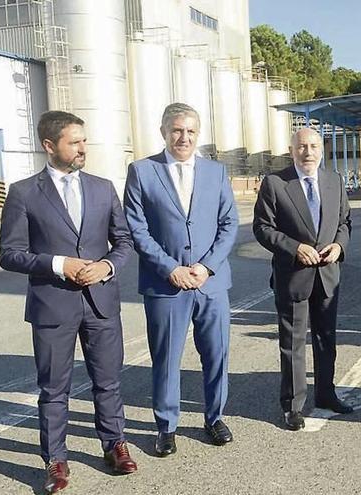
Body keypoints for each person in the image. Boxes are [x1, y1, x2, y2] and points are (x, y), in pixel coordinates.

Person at [0, 111, 137, 493]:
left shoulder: (102, 187)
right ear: (49, 145)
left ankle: (114, 445)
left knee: (107, 382)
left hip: (101, 303)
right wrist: (59, 264)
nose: (83, 148)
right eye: (75, 142)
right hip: (53, 305)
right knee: (54, 390)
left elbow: (123, 242)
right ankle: (56, 461)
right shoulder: (24, 192)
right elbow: (9, 254)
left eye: (84, 141)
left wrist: (107, 265)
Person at [124, 103, 239, 455]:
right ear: (163, 132)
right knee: (166, 357)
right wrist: (170, 268)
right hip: (166, 284)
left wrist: (206, 266)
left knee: (216, 354)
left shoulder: (216, 173)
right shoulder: (142, 171)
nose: (183, 137)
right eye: (176, 130)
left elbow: (229, 224)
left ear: (197, 134)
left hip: (210, 282)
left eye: (190, 131)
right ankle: (166, 426)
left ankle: (214, 417)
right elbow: (137, 228)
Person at [253, 127, 353, 430]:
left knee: (326, 339)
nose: (307, 152)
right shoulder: (275, 183)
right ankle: (293, 405)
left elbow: (345, 222)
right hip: (293, 275)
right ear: (291, 149)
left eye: (313, 146)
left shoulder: (334, 181)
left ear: (321, 149)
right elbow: (263, 228)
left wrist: (339, 245)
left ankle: (326, 394)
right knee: (293, 343)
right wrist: (295, 248)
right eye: (301, 147)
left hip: (327, 275)